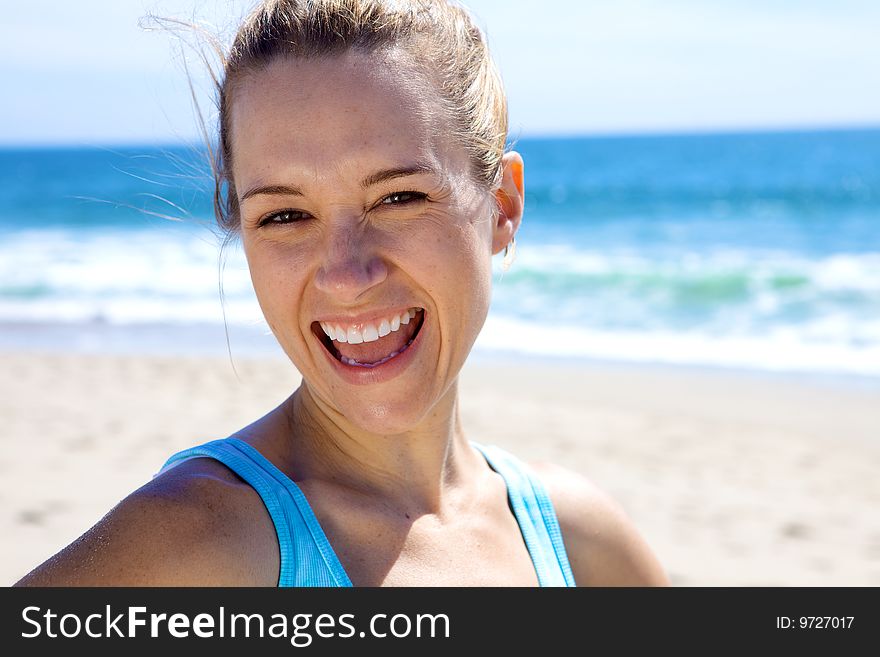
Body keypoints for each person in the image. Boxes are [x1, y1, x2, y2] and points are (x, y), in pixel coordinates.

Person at [16, 0, 668, 587]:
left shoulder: (584, 545)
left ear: (502, 204)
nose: (346, 275)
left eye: (398, 197)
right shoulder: (200, 539)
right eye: (285, 216)